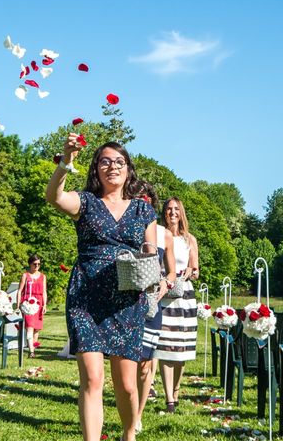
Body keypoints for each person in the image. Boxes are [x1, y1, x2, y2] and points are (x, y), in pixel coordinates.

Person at [46, 136, 158, 441]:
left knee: (127, 385)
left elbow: (151, 254)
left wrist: (151, 274)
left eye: (119, 161)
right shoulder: (85, 202)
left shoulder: (143, 211)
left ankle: (128, 432)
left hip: (126, 300)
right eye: (105, 161)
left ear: (128, 170)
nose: (112, 166)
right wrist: (65, 163)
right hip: (86, 297)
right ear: (96, 168)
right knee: (92, 379)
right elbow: (54, 197)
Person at [133, 181, 175, 434]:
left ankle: (137, 415)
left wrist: (165, 286)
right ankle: (126, 413)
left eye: (147, 197)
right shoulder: (122, 226)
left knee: (145, 363)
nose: (143, 200)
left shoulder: (164, 234)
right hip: (125, 302)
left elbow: (170, 272)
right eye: (138, 196)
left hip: (151, 304)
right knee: (126, 361)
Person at [154, 196, 199, 413]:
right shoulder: (160, 235)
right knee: (166, 347)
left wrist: (191, 272)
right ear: (164, 213)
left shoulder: (189, 239)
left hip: (185, 296)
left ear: (181, 213)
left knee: (181, 351)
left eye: (176, 209)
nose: (172, 213)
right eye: (169, 209)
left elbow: (197, 269)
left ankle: (177, 389)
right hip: (165, 293)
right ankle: (169, 398)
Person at [16, 254, 48, 358]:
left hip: (38, 303)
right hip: (28, 303)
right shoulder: (25, 275)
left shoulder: (43, 276)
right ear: (30, 264)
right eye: (35, 264)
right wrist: (18, 305)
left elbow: (44, 291)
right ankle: (31, 352)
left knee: (37, 328)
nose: (37, 266)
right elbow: (20, 290)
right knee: (30, 327)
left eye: (39, 264)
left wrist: (44, 305)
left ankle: (33, 348)